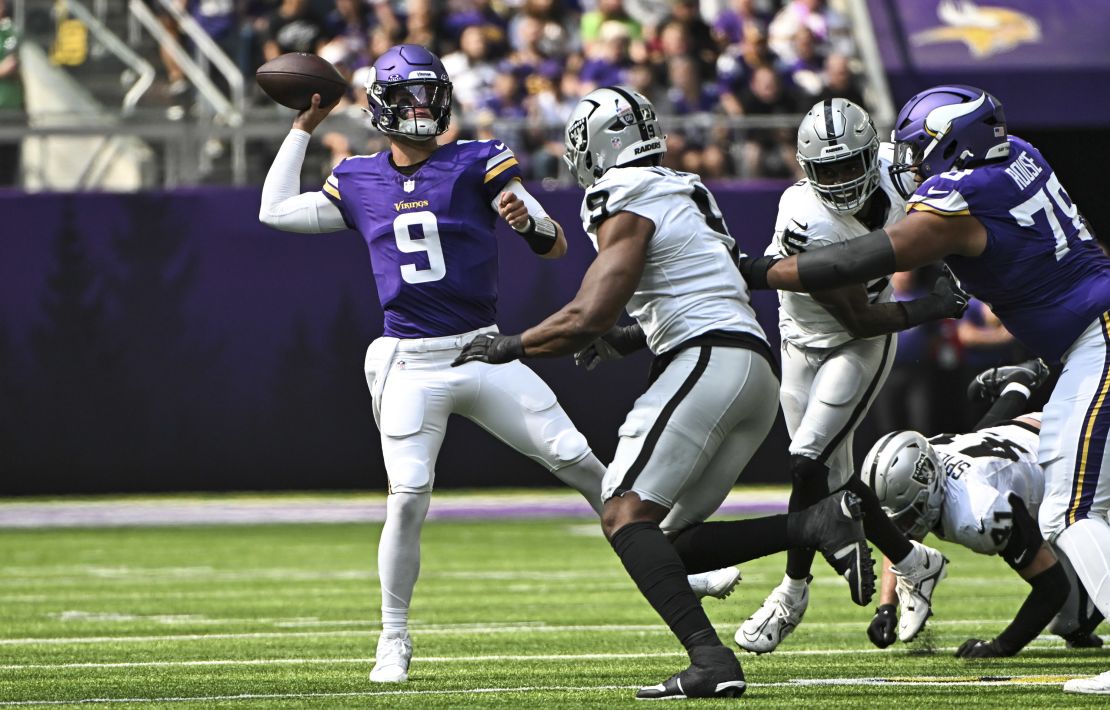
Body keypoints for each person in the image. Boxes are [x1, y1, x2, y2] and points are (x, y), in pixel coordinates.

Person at [257, 44, 738, 686]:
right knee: (407, 498)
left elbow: (553, 243)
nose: (423, 108)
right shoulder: (358, 177)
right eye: (410, 97)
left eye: (431, 94)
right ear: (381, 106)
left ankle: (674, 561)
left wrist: (526, 217)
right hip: (411, 362)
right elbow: (274, 210)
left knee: (577, 459)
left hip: (483, 348)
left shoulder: (477, 159)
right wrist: (301, 128)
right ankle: (393, 637)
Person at [453, 84, 875, 699]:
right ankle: (814, 524)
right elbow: (692, 284)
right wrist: (626, 338)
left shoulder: (623, 193)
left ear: (600, 146)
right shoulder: (682, 189)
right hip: (748, 368)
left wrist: (511, 345)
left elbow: (590, 312)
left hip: (706, 359)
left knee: (622, 512)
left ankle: (710, 659)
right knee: (664, 541)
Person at [740, 83, 1110, 695]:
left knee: (1069, 511)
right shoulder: (1020, 152)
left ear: (953, 145)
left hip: (1095, 338)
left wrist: (756, 268)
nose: (908, 161)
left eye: (920, 147)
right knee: (1089, 506)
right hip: (1085, 336)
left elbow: (849, 264)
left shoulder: (959, 194)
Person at [738, 99, 965, 655]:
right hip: (808, 336)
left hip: (859, 348)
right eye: (827, 169)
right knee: (830, 479)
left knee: (807, 461)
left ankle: (791, 594)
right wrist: (936, 306)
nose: (839, 180)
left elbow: (959, 185)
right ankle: (916, 561)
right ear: (805, 168)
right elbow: (857, 311)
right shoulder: (802, 214)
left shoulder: (902, 169)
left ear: (873, 154)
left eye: (849, 165)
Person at [865, 358, 1104, 655]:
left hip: (1080, 451)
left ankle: (1018, 384)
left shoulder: (978, 511)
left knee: (1079, 598)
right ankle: (1018, 384)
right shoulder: (931, 457)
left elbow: (1052, 587)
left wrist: (1000, 647)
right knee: (1075, 622)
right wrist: (886, 605)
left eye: (909, 512)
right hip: (1033, 433)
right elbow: (900, 535)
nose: (904, 527)